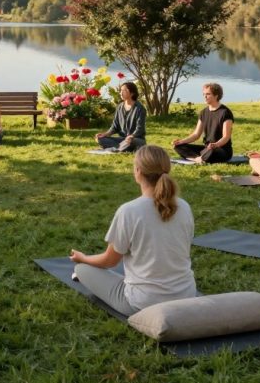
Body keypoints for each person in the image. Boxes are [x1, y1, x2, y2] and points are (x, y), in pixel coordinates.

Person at [70, 145, 196, 316]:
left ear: (138, 171)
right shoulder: (184, 206)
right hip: (186, 295)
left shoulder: (129, 211)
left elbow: (109, 261)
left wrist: (83, 258)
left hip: (143, 303)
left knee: (82, 270)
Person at [171, 82, 235, 164]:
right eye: (204, 94)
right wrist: (181, 141)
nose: (205, 96)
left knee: (211, 151)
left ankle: (199, 158)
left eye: (208, 94)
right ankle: (199, 159)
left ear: (216, 96)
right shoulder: (203, 112)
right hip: (206, 149)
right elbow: (196, 135)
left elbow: (226, 137)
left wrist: (215, 144)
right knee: (178, 147)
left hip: (221, 150)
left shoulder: (225, 112)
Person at [94, 82, 146, 152]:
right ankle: (123, 148)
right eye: (121, 90)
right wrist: (105, 134)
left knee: (131, 141)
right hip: (122, 139)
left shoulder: (140, 108)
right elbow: (115, 127)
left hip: (135, 139)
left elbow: (140, 129)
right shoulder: (119, 107)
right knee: (100, 139)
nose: (121, 93)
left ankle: (119, 148)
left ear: (132, 93)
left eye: (124, 91)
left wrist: (132, 136)